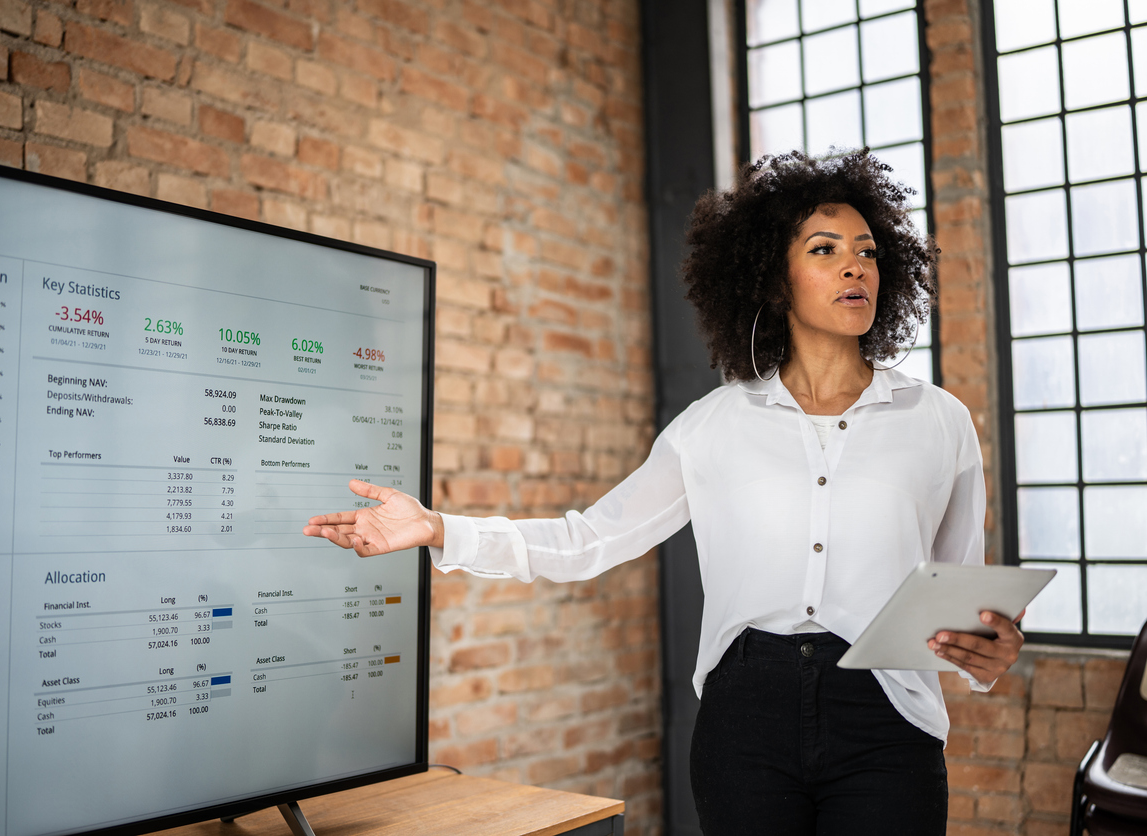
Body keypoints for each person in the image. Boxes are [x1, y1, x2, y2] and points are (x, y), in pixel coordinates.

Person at [302, 150, 1024, 836]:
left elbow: (961, 596)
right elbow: (590, 539)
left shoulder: (937, 420)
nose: (854, 268)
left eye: (866, 251)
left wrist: (984, 652)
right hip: (746, 722)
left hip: (886, 719)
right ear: (773, 281)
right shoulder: (710, 427)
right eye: (824, 250)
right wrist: (438, 530)